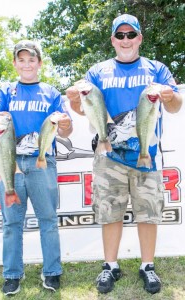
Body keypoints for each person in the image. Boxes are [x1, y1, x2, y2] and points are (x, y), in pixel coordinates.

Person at [66, 14, 182, 295]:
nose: (126, 40)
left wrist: (169, 96)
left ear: (140, 38)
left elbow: (176, 106)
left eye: (132, 35)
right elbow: (85, 110)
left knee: (148, 213)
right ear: (113, 40)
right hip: (108, 157)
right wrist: (74, 101)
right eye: (121, 35)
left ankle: (147, 266)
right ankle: (110, 266)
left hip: (147, 154)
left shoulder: (157, 70)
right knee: (110, 213)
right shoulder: (97, 72)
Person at [0, 40, 73, 296]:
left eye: (31, 59)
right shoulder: (6, 91)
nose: (26, 64)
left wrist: (65, 123)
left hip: (42, 161)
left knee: (48, 219)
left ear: (39, 63)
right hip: (10, 162)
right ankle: (12, 275)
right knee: (12, 223)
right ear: (14, 63)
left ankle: (52, 271)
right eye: (21, 60)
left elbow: (67, 128)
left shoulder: (51, 92)